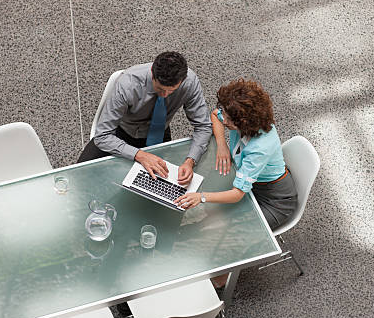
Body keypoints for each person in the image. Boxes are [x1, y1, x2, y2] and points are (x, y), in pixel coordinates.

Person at [174, 78, 298, 229]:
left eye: (228, 119)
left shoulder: (259, 148)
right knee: (213, 219)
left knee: (232, 231)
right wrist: (222, 145)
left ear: (244, 122)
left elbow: (237, 193)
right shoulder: (243, 121)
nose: (224, 120)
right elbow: (215, 115)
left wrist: (202, 197)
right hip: (252, 183)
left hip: (276, 201)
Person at [77, 51, 212, 184]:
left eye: (171, 91)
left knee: (164, 187)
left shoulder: (190, 82)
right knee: (80, 175)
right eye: (160, 89)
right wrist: (140, 155)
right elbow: (102, 136)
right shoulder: (127, 83)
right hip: (121, 132)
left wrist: (190, 161)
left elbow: (203, 126)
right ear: (152, 73)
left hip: (159, 134)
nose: (164, 95)